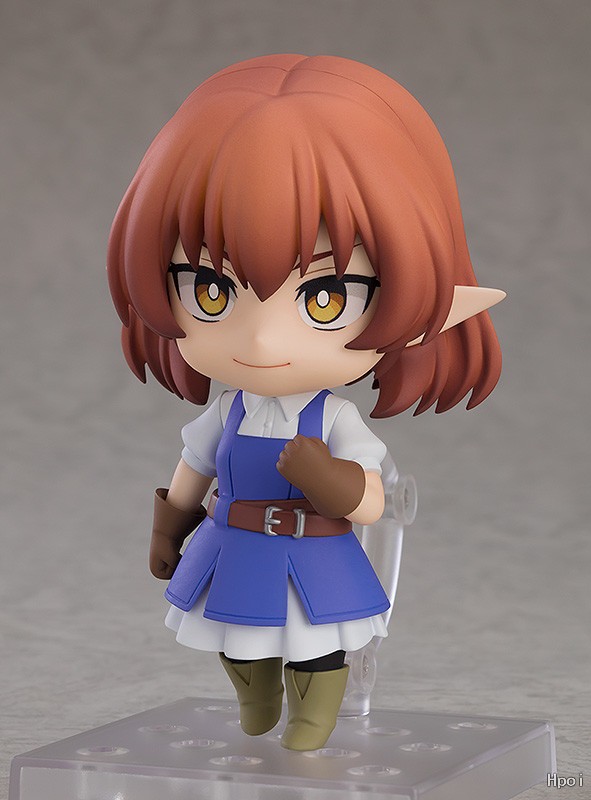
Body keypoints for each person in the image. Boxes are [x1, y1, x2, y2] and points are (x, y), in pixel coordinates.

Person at [107, 54, 504, 751]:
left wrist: (331, 480)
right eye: (211, 291)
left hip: (314, 553)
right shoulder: (225, 413)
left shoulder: (336, 419)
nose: (262, 339)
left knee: (316, 644)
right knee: (237, 637)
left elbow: (373, 502)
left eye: (324, 297)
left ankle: (313, 719)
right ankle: (255, 698)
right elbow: (194, 468)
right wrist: (168, 530)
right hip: (234, 545)